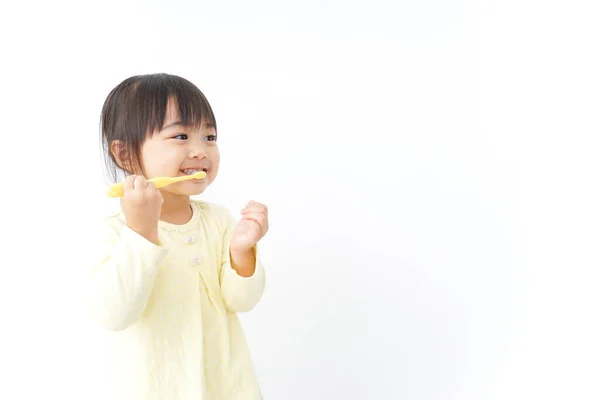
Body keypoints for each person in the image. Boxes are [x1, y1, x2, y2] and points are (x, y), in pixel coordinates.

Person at [88, 73, 268, 399]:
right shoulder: (114, 232)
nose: (201, 151)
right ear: (125, 153)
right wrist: (141, 230)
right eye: (181, 136)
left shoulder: (218, 220)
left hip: (225, 388)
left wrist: (242, 251)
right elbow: (114, 314)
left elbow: (241, 300)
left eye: (210, 137)